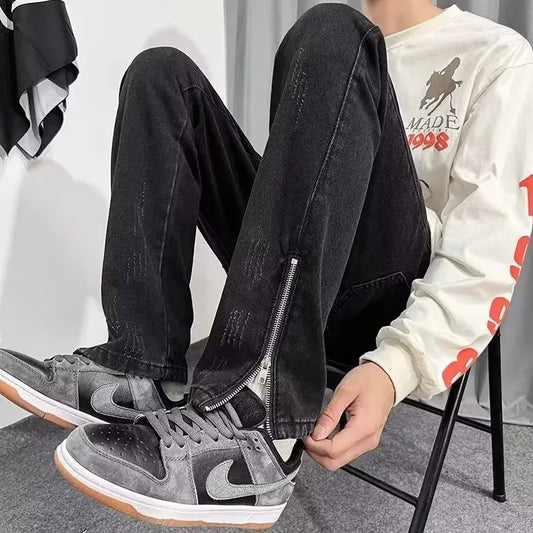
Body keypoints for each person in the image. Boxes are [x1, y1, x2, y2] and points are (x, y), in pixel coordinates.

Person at [1, 0, 533, 528]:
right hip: (303, 272)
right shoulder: (326, 46)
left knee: (334, 30)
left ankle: (257, 417)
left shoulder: (494, 54)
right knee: (161, 75)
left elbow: (485, 250)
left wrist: (398, 367)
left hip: (383, 297)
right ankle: (137, 366)